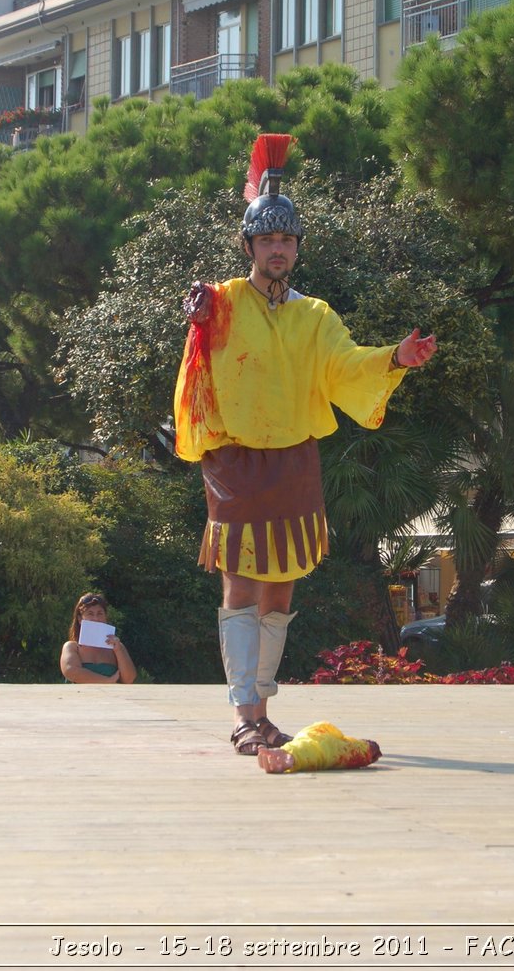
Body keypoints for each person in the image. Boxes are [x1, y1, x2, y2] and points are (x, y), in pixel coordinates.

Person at [174, 133, 437, 756]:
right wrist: (198, 318)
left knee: (283, 586)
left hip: (295, 456)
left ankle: (263, 708)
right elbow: (195, 375)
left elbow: (345, 369)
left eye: (287, 240)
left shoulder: (316, 314)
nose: (278, 249)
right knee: (239, 583)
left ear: (297, 248)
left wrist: (395, 358)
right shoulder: (222, 301)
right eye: (268, 239)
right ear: (249, 246)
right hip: (235, 458)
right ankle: (244, 715)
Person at [60, 591, 137, 684]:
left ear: (105, 617)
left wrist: (118, 650)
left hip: (111, 698)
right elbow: (70, 671)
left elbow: (129, 680)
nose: (96, 618)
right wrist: (107, 681)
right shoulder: (72, 647)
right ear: (80, 619)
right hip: (79, 697)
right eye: (90, 614)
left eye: (100, 613)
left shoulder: (117, 647)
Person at [256, 721, 381, 773]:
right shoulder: (351, 750)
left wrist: (292, 756)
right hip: (308, 743)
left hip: (308, 743)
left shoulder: (347, 749)